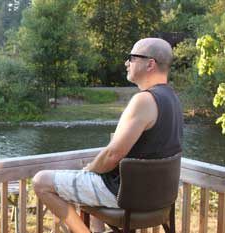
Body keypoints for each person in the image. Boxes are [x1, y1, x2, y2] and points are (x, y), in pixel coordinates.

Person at [32, 38, 183, 233]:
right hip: (158, 198)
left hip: (124, 195)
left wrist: (89, 170)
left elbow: (112, 154)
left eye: (132, 58)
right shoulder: (173, 99)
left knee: (41, 181)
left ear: (150, 64)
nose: (126, 63)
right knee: (91, 184)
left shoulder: (144, 100)